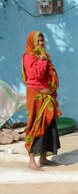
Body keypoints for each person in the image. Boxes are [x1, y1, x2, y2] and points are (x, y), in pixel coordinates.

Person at [22, 31, 62, 171]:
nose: (41, 43)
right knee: (36, 124)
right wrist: (42, 60)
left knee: (49, 124)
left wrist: (50, 89)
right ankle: (32, 160)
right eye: (38, 41)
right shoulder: (29, 57)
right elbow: (36, 75)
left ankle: (43, 158)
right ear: (32, 42)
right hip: (36, 96)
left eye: (42, 40)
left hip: (47, 95)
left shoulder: (42, 56)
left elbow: (50, 73)